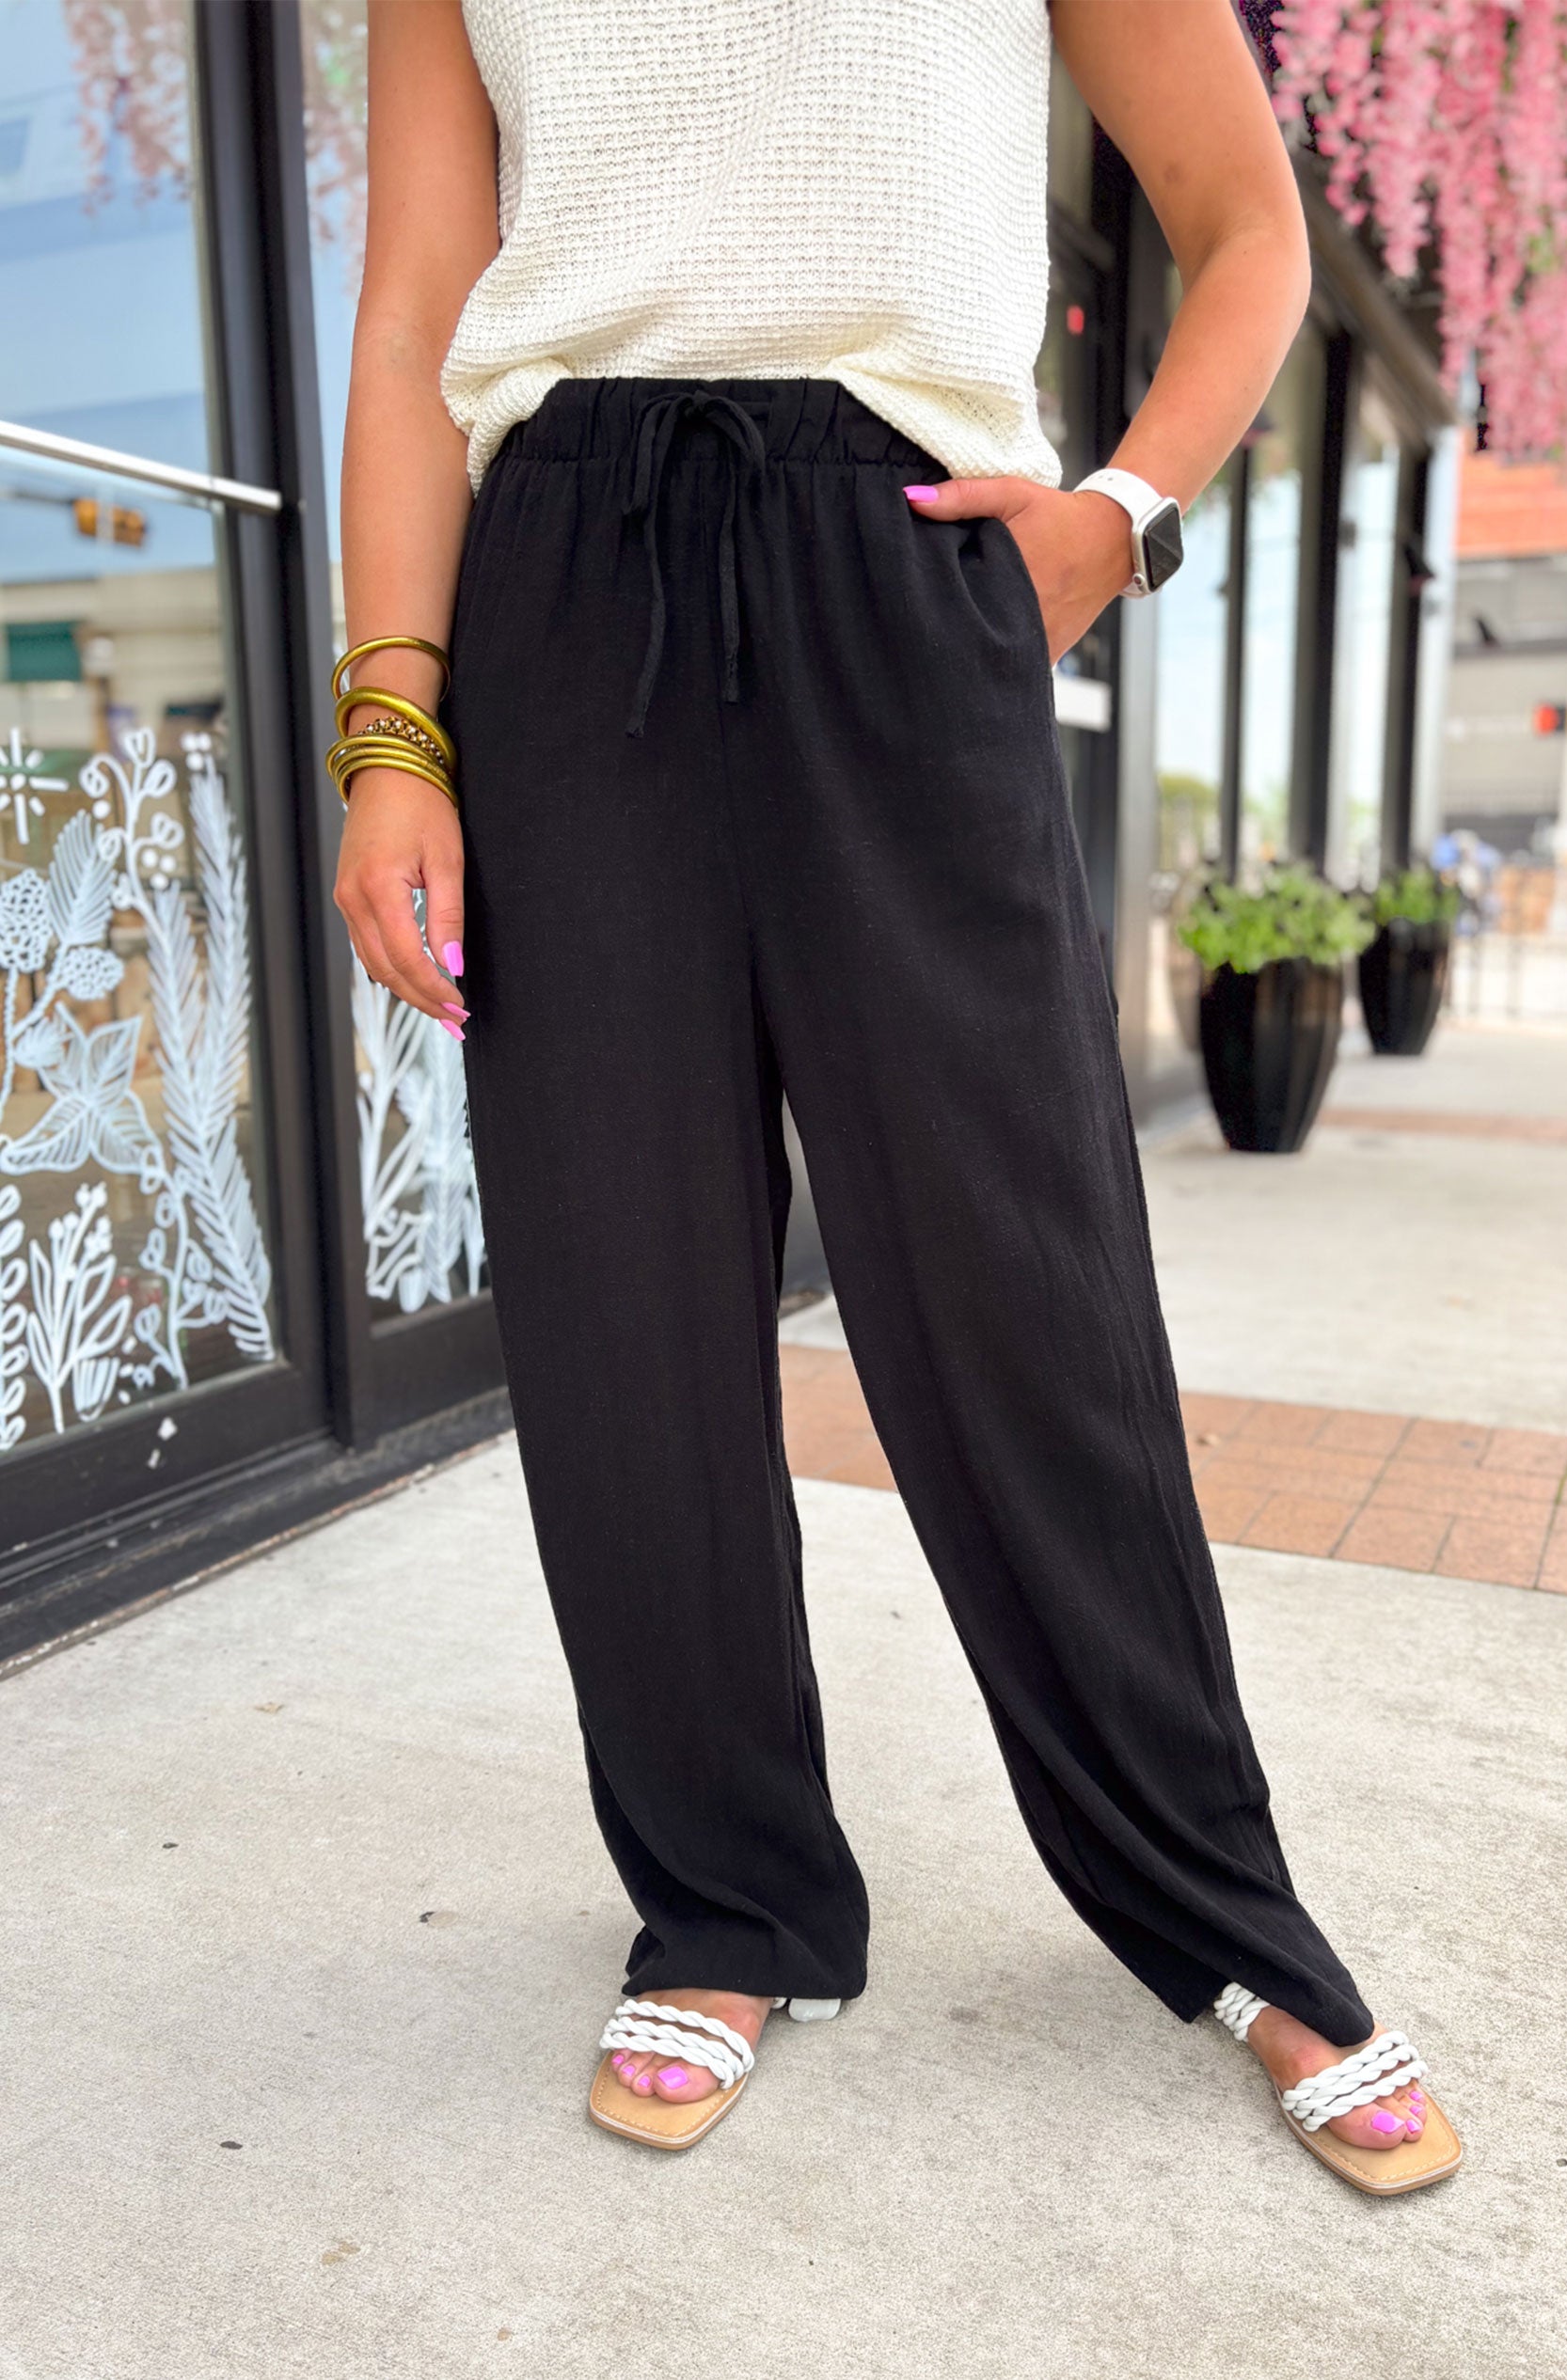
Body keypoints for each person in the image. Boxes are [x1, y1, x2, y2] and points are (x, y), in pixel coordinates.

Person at [332, 0, 1458, 2193]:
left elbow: (1246, 226)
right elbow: (409, 319)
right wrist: (396, 727)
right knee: (618, 1301)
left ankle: (1219, 1908)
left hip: (902, 553)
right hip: (559, 572)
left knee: (1021, 1285)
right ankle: (727, 1902)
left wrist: (1115, 515)